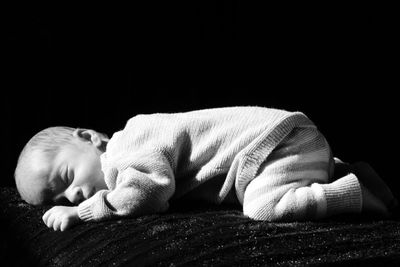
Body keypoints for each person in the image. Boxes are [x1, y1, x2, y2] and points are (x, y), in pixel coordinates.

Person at [14, 106, 398, 231]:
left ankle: (352, 194)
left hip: (275, 144)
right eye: (58, 198)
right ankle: (349, 171)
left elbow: (147, 194)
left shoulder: (128, 146)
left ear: (91, 138)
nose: (72, 195)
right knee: (265, 191)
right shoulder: (131, 148)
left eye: (66, 179)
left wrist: (85, 212)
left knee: (263, 208)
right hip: (285, 147)